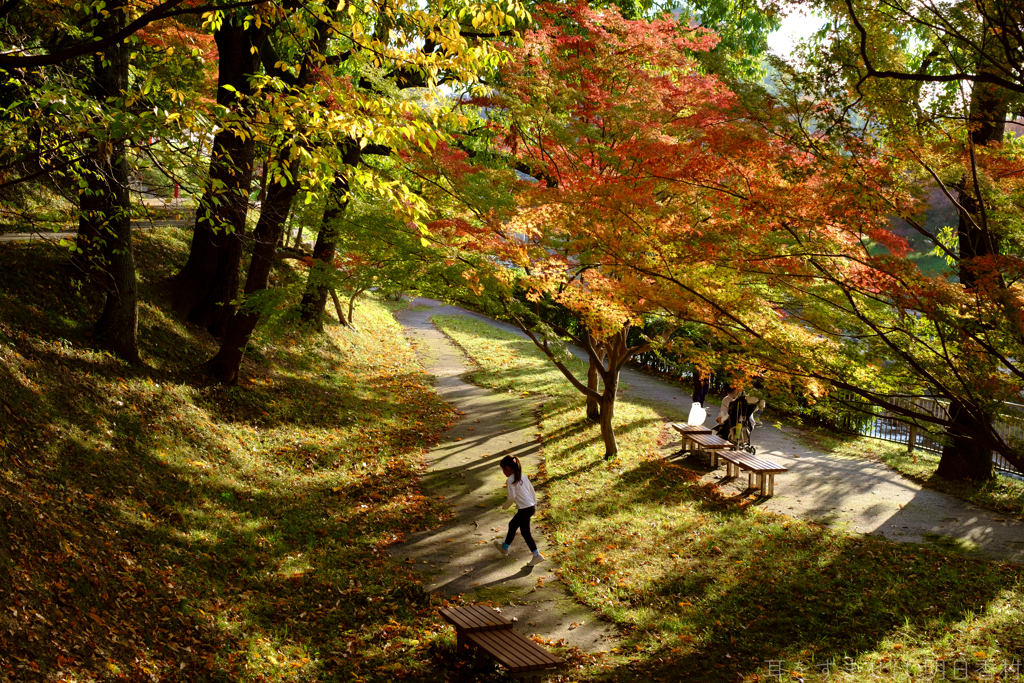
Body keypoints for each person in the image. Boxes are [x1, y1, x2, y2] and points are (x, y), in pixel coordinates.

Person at [493, 455, 544, 565]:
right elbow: (532, 492)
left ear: (507, 468)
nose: (503, 472)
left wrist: (506, 506)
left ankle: (536, 555)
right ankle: (504, 547)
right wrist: (534, 506)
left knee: (525, 532)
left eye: (503, 469)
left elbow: (511, 497)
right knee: (513, 525)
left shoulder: (510, 480)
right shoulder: (523, 476)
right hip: (529, 507)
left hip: (525, 509)